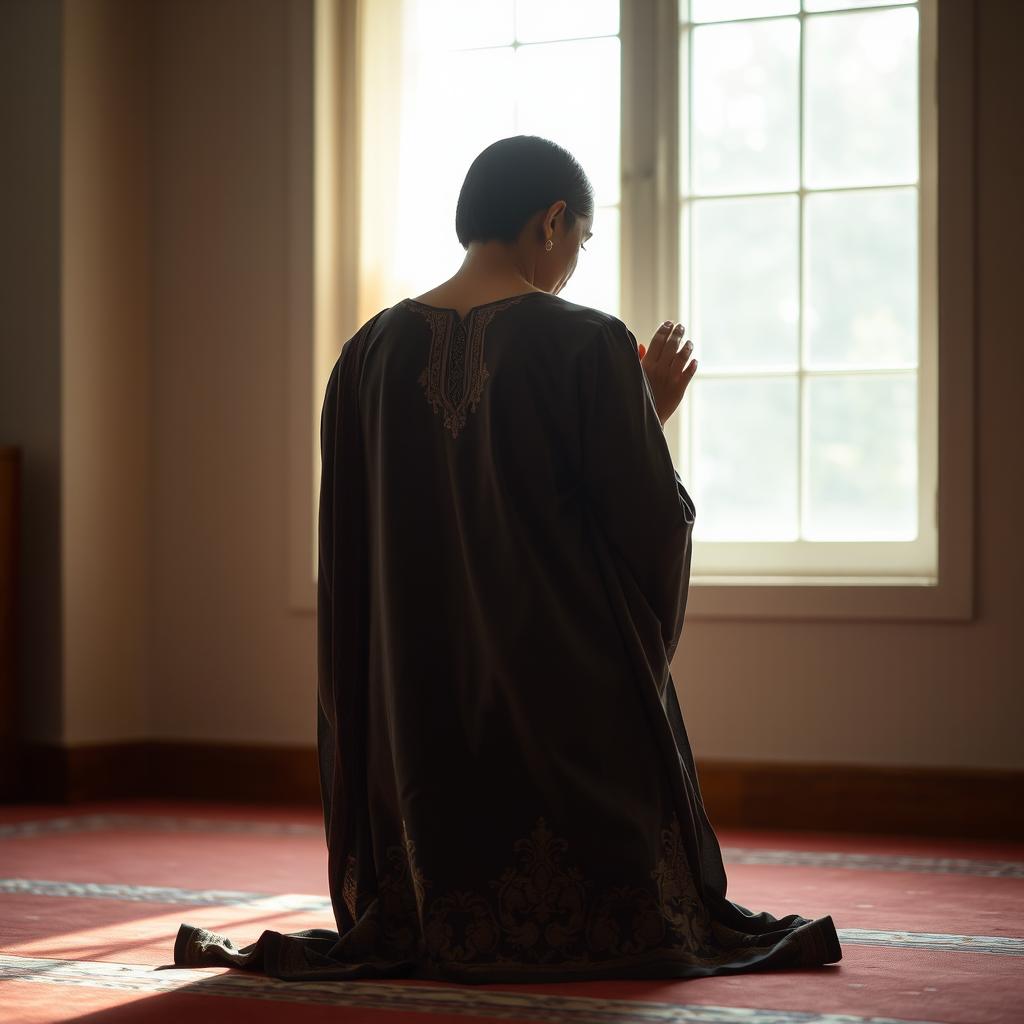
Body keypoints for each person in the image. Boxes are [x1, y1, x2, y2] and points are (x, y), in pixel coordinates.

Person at [174, 135, 842, 982]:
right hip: (560, 705)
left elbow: (358, 549)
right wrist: (649, 415)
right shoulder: (589, 345)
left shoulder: (365, 356)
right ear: (552, 221)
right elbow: (636, 526)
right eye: (579, 245)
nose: (571, 267)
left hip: (415, 720)